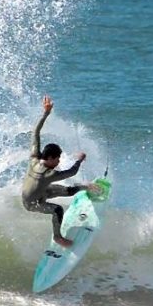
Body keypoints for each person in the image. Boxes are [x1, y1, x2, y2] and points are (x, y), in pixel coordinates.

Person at [22, 95, 97, 248]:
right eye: (57, 159)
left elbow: (35, 133)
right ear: (49, 158)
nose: (58, 162)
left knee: (69, 191)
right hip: (32, 203)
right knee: (57, 209)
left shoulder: (34, 157)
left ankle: (86, 187)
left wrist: (46, 113)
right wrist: (80, 160)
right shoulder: (49, 174)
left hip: (41, 191)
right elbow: (71, 172)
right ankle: (58, 237)